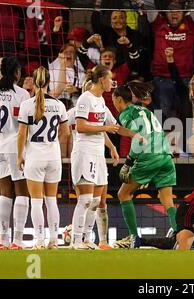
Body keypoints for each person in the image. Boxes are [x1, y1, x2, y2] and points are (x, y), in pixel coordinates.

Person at [111, 81, 177, 248]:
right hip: (166, 156)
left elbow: (140, 138)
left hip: (148, 156)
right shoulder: (144, 110)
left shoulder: (126, 114)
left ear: (119, 99)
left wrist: (128, 162)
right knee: (166, 199)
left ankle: (134, 238)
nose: (114, 105)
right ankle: (180, 235)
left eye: (113, 100)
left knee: (123, 194)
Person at [17, 66, 70, 249]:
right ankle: (54, 240)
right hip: (53, 157)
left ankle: (40, 240)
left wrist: (19, 157)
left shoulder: (26, 105)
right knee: (51, 200)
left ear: (33, 81)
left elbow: (21, 135)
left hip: (35, 157)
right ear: (49, 82)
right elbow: (66, 133)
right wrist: (54, 143)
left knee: (37, 202)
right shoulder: (59, 105)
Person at [69, 65, 121, 250]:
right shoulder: (85, 99)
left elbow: (102, 128)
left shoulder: (100, 101)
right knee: (85, 199)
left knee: (97, 201)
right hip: (85, 153)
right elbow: (81, 127)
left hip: (99, 154)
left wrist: (112, 146)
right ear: (101, 80)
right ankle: (75, 240)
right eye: (110, 79)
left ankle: (86, 239)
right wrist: (105, 128)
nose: (112, 83)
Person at [0, 57, 31, 249]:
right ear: (17, 73)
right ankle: (17, 241)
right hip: (16, 148)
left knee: (5, 193)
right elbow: (26, 126)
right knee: (22, 193)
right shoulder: (23, 95)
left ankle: (3, 240)